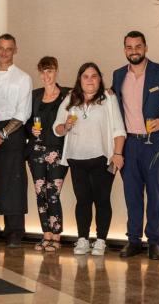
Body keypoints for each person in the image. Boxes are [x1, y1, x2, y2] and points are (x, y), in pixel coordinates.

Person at [112, 31, 159, 260]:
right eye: (129, 47)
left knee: (155, 194)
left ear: (145, 48)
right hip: (129, 143)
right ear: (124, 50)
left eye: (138, 46)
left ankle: (154, 241)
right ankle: (133, 240)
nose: (134, 51)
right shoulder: (118, 75)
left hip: (154, 144)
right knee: (132, 195)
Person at [54, 62, 126, 256]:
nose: (90, 80)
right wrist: (66, 126)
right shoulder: (70, 98)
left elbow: (119, 129)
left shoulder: (108, 99)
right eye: (85, 76)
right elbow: (57, 128)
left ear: (100, 79)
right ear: (79, 79)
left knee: (102, 200)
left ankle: (101, 240)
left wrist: (118, 153)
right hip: (76, 159)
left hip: (103, 159)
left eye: (94, 76)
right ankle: (83, 239)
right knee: (82, 200)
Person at [0, 33, 32, 248]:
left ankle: (15, 231)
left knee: (13, 181)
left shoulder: (23, 78)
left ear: (15, 50)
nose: (4, 52)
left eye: (9, 48)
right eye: (1, 48)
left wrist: (2, 134)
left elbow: (23, 113)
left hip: (13, 131)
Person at [26, 56, 70, 252]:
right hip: (36, 150)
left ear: (56, 71)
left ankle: (57, 235)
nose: (46, 76)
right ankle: (46, 234)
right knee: (40, 192)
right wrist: (31, 131)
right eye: (43, 72)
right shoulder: (34, 95)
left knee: (53, 193)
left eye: (50, 71)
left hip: (59, 150)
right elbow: (26, 122)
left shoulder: (68, 95)